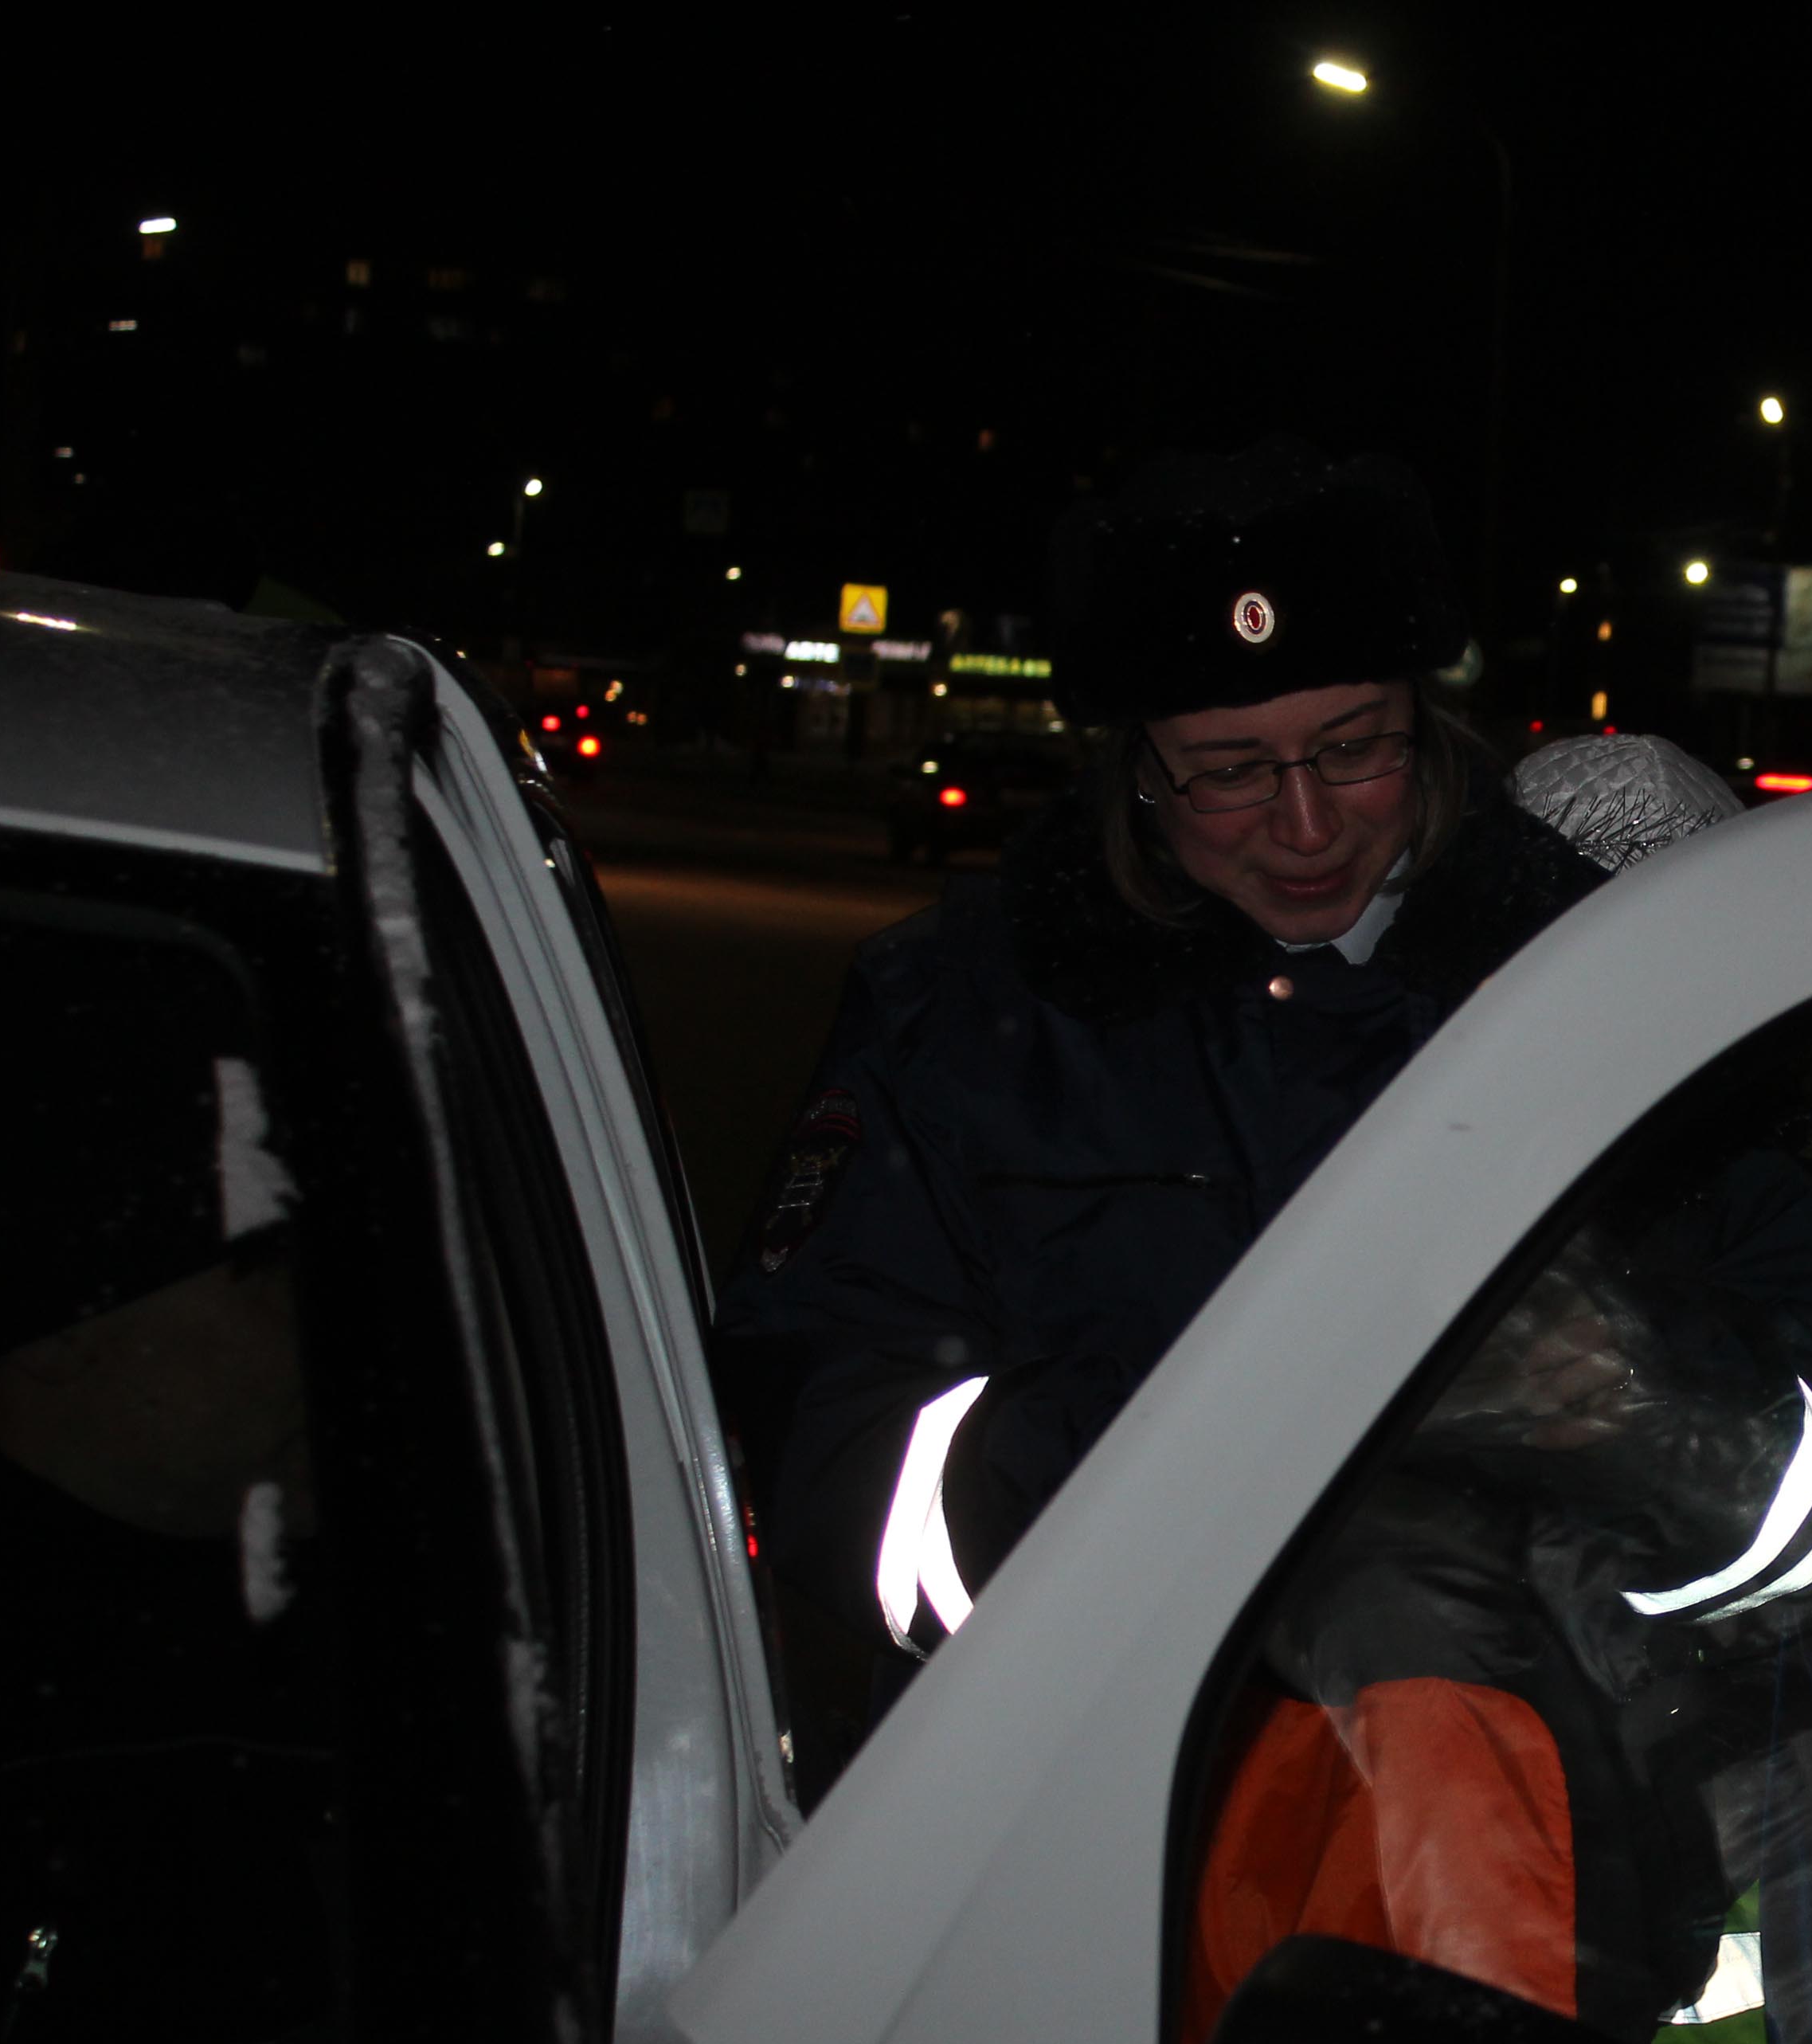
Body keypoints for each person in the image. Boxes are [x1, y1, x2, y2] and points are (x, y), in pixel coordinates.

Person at [716, 443, 1730, 1732]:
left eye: (1356, 748)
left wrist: (1641, 1416)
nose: (1306, 827)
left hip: (1514, 1827)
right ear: (1141, 769)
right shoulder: (957, 1017)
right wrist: (1234, 1427)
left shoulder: (1602, 984)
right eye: (1233, 769)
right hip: (1069, 1802)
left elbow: (1804, 1441)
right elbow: (832, 1468)